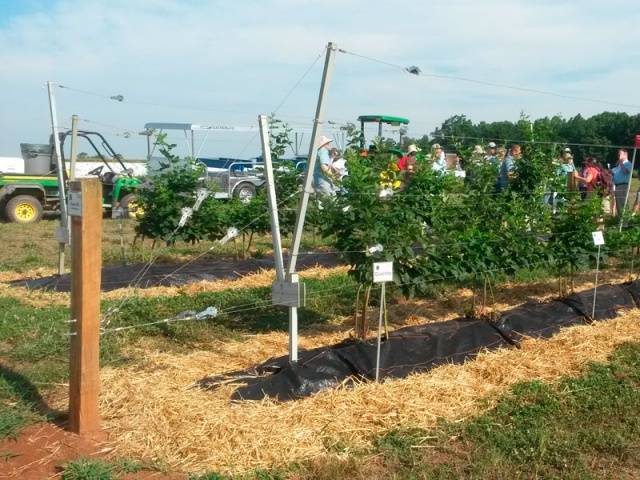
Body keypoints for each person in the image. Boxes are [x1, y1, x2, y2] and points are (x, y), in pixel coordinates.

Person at [612, 149, 633, 216]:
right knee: (619, 204)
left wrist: (620, 162)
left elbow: (625, 172)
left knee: (623, 203)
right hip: (617, 185)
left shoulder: (628, 163)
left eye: (620, 154)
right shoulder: (620, 165)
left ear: (625, 154)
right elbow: (614, 172)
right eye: (618, 154)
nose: (618, 155)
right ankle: (621, 220)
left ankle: (625, 223)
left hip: (623, 185)